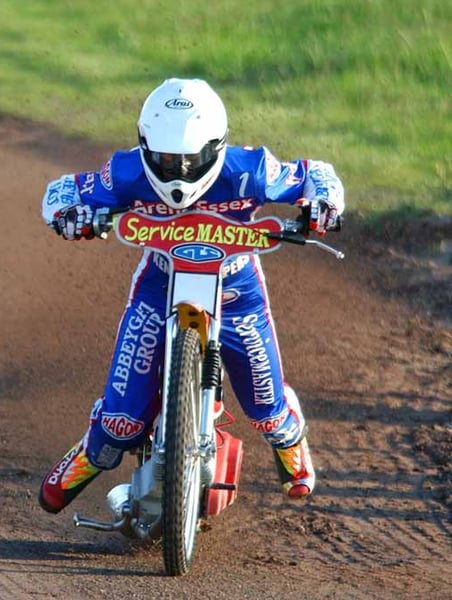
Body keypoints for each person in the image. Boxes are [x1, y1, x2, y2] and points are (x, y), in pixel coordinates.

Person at [38, 77, 343, 514]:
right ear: (144, 146)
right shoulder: (127, 171)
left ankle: (290, 440)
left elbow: (316, 175)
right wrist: (71, 216)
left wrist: (323, 206)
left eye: (190, 159)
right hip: (157, 286)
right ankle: (91, 453)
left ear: (217, 147)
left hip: (237, 292)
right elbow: (63, 190)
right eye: (164, 159)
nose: (178, 172)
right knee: (120, 422)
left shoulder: (251, 169)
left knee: (267, 411)